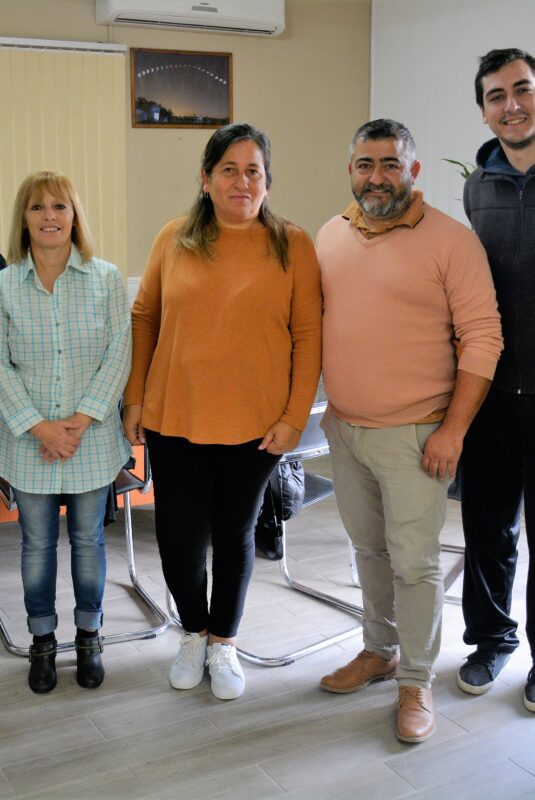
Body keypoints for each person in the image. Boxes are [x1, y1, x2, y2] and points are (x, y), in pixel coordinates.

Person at [316, 119, 503, 743]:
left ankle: (415, 679)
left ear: (413, 172)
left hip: (418, 435)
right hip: (345, 429)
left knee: (415, 566)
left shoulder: (452, 242)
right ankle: (379, 650)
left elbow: (483, 338)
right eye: (366, 164)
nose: (377, 176)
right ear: (351, 171)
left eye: (390, 164)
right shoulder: (330, 235)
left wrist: (452, 430)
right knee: (368, 551)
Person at [122, 122, 322, 701]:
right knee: (180, 537)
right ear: (205, 179)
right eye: (228, 170)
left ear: (266, 181)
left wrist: (293, 414)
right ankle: (193, 631)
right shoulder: (174, 238)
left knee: (235, 535)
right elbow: (145, 318)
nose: (241, 181)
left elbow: (308, 336)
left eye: (253, 170)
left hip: (257, 426)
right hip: (173, 415)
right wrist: (135, 397)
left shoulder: (294, 244)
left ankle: (224, 642)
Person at [0, 171, 131, 693]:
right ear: (23, 219)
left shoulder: (105, 278)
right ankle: (42, 642)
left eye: (60, 206)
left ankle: (90, 636)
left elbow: (118, 353)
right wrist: (38, 426)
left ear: (75, 216)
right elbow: (0, 366)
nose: (49, 216)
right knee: (36, 546)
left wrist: (81, 420)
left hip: (92, 441)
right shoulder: (5, 284)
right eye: (37, 207)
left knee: (87, 541)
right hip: (29, 442)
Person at [458, 48, 535, 713]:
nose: (511, 104)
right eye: (495, 95)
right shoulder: (474, 187)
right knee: (487, 530)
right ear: (481, 109)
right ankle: (489, 641)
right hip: (488, 396)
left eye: (522, 89)